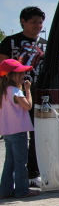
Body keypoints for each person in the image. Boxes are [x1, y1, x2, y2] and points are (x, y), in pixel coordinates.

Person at [0, 7, 46, 188]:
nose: (38, 25)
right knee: (15, 136)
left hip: (38, 93)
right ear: (23, 22)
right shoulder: (10, 41)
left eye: (40, 22)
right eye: (33, 21)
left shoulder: (46, 43)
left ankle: (33, 173)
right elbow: (2, 67)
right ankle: (14, 180)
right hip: (13, 93)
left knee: (37, 133)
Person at [0, 59, 39, 198]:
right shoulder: (16, 91)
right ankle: (22, 190)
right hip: (19, 131)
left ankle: (5, 190)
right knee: (21, 162)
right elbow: (28, 106)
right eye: (19, 73)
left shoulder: (3, 91)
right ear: (10, 75)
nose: (23, 75)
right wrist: (28, 90)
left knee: (9, 162)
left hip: (7, 132)